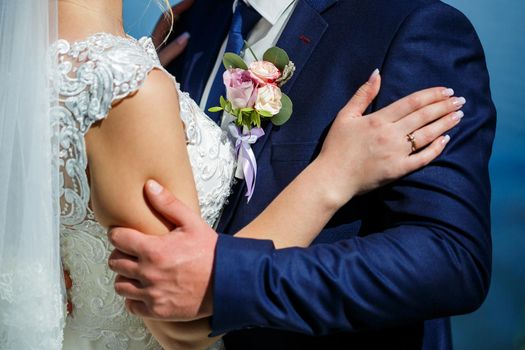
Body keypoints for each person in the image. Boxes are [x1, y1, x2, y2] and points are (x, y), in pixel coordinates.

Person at [0, 1, 469, 350]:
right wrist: (334, 175)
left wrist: (235, 279)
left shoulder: (410, 27)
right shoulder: (178, 35)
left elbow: (451, 260)